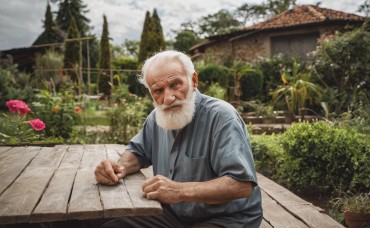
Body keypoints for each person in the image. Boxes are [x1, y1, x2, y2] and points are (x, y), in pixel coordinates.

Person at [94, 50, 263, 228]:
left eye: (175, 85)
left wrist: (179, 190)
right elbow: (137, 152)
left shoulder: (221, 117)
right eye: (158, 90)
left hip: (228, 219)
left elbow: (241, 185)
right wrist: (118, 168)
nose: (168, 98)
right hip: (174, 216)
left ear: (194, 81)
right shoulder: (156, 117)